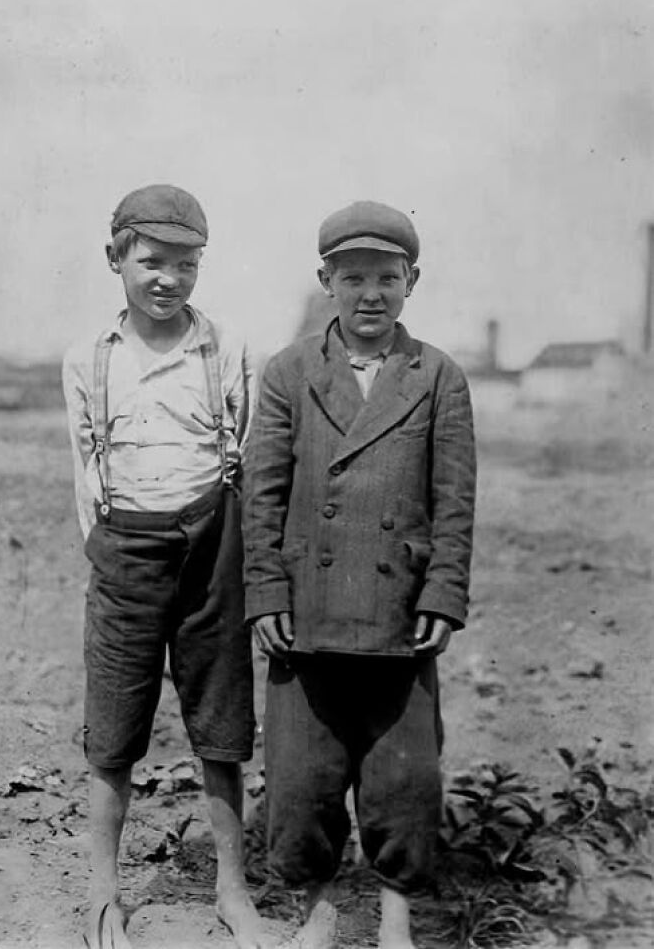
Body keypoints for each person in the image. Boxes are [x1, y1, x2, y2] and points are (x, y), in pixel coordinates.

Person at [242, 200, 476, 949]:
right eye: (353, 278)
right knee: (302, 780)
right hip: (306, 609)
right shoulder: (288, 372)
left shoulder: (438, 376)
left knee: (403, 782)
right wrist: (266, 591)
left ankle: (396, 916)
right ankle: (316, 910)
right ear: (326, 282)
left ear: (413, 281)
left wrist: (443, 591)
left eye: (387, 277)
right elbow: (263, 492)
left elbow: (455, 498)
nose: (370, 294)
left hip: (398, 614)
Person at [62, 184, 263, 949]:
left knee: (221, 722)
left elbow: (238, 447)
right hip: (125, 553)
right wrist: (110, 551)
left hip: (212, 546)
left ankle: (233, 889)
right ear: (116, 258)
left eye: (185, 265)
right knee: (112, 730)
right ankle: (104, 894)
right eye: (150, 262)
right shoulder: (88, 358)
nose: (167, 280)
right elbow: (86, 465)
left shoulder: (227, 349)